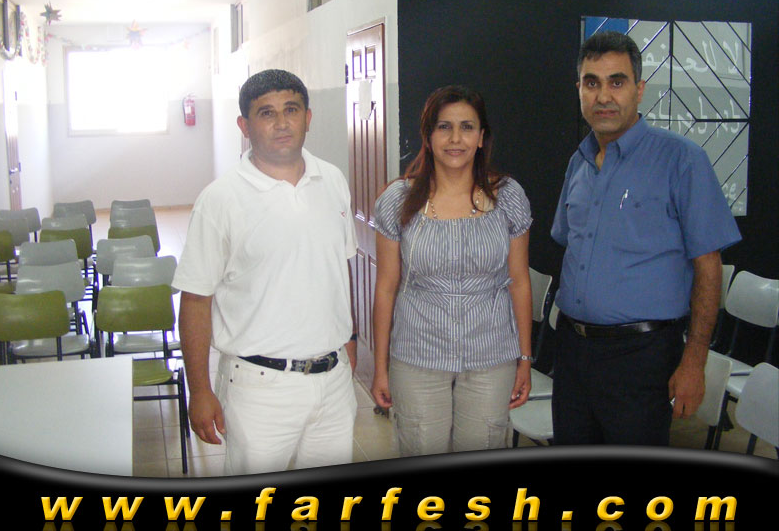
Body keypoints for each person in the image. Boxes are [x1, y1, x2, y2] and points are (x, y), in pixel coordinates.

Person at [550, 31, 742, 445]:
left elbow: (709, 268)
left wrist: (694, 362)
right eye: (592, 83)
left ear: (639, 90)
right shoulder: (578, 163)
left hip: (642, 357)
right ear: (579, 89)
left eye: (616, 82)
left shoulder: (682, 161)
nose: (604, 96)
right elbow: (567, 242)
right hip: (572, 351)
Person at [172, 69, 359, 475]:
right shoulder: (220, 200)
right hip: (259, 389)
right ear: (244, 126)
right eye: (267, 113)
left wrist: (350, 338)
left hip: (333, 382)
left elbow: (339, 267)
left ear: (308, 117)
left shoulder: (332, 180)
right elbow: (196, 300)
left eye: (291, 109)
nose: (282, 122)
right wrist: (199, 390)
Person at [371, 85, 534, 456]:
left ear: (481, 137)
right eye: (444, 127)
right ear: (428, 137)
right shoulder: (398, 200)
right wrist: (381, 367)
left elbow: (520, 283)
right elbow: (386, 287)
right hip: (417, 356)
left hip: (491, 357)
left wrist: (524, 359)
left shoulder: (508, 196)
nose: (456, 139)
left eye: (467, 127)